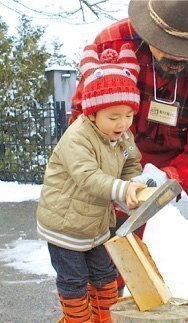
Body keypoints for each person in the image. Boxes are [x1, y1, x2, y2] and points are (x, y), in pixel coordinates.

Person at [71, 1, 188, 322]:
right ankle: (102, 312)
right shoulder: (112, 46)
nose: (177, 55)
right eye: (170, 46)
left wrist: (169, 178)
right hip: (126, 150)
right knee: (111, 229)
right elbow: (85, 120)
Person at [37, 43, 147, 322]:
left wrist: (135, 183)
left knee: (105, 275)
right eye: (113, 116)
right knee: (74, 280)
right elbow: (87, 177)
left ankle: (104, 318)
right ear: (92, 112)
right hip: (66, 226)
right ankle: (77, 320)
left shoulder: (122, 136)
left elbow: (130, 161)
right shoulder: (78, 138)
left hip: (97, 224)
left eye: (128, 115)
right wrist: (122, 189)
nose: (122, 123)